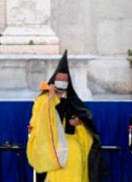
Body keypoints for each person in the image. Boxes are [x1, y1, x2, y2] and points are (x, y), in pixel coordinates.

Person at [27, 51, 106, 182]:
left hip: (70, 137)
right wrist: (51, 98)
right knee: (60, 153)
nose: (62, 82)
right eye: (60, 79)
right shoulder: (43, 99)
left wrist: (79, 123)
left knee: (74, 150)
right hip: (49, 138)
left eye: (65, 79)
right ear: (54, 80)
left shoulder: (72, 100)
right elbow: (39, 119)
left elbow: (86, 118)